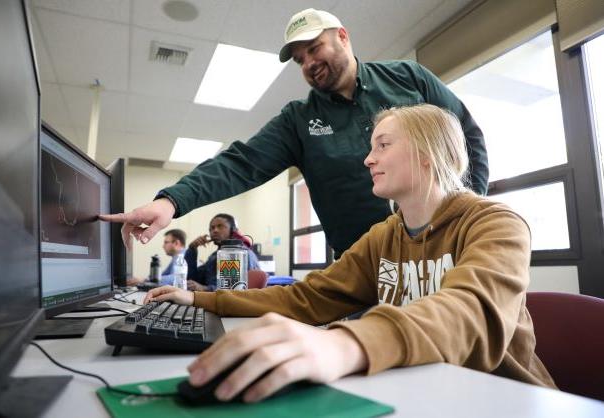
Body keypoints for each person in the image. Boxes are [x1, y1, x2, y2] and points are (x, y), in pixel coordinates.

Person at [144, 104, 554, 403]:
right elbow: (307, 297)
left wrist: (345, 345)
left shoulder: (495, 222)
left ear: (428, 153)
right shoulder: (384, 236)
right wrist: (200, 299)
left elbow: (472, 313)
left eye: (383, 145)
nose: (367, 158)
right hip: (420, 393)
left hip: (502, 400)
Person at [100, 8, 488, 260]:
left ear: (343, 36)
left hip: (443, 248)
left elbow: (466, 135)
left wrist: (469, 208)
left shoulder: (408, 78)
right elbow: (240, 163)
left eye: (314, 48)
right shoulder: (298, 120)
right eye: (300, 60)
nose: (309, 64)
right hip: (364, 265)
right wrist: (171, 202)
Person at [186, 213, 261, 291]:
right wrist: (192, 249)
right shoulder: (215, 256)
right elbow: (193, 278)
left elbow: (231, 289)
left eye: (220, 226)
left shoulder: (235, 254)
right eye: (212, 228)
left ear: (233, 230)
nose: (215, 230)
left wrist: (205, 289)